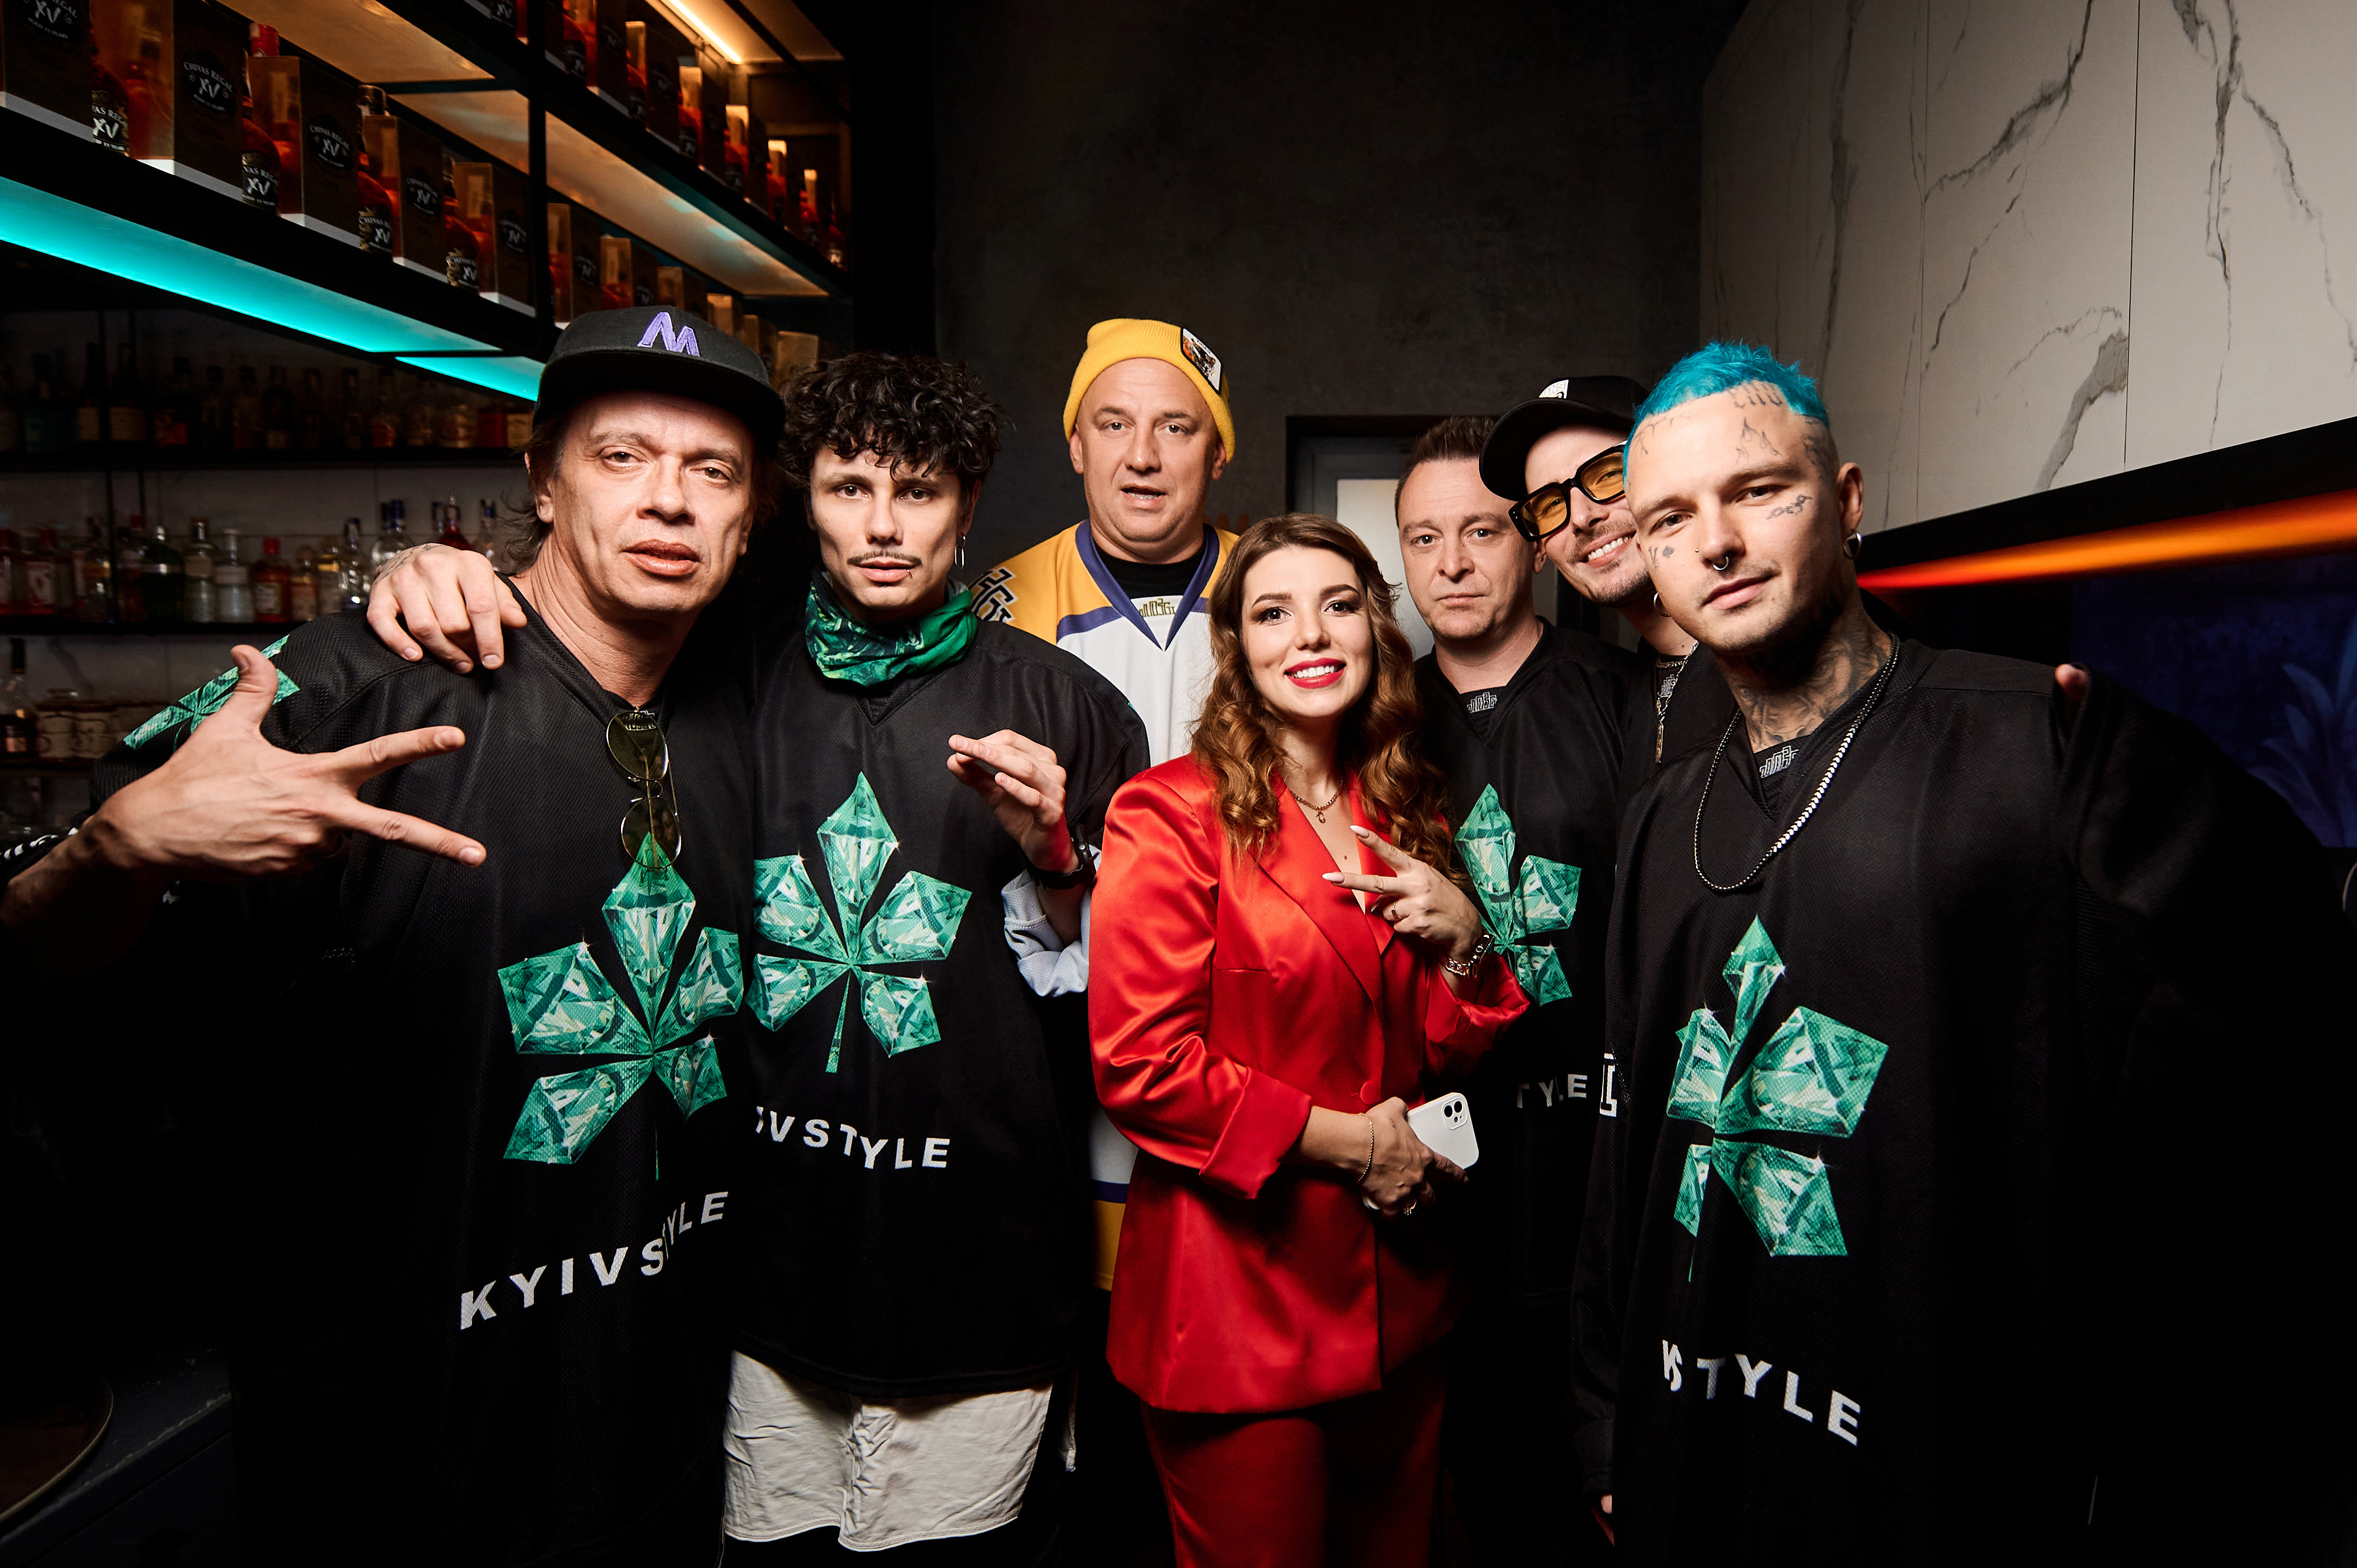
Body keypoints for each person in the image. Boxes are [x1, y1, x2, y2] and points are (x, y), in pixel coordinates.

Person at [0, 304, 781, 1564]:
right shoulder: (355, 685)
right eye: (621, 456)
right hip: (396, 1468)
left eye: (713, 471)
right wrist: (114, 848)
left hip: (663, 1446)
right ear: (541, 481)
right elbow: (39, 964)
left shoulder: (758, 705)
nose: (669, 500)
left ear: (751, 516)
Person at [1571, 342, 2357, 1563]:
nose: (1714, 543)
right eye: (1670, 518)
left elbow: (2273, 1023)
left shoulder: (2028, 744)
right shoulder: (1662, 817)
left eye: (1758, 491)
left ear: (1845, 502)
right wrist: (1609, 1417)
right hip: (1698, 1442)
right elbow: (1632, 1140)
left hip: (1932, 1456)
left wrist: (2174, 825)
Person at [366, 352, 1151, 1561]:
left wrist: (1057, 861)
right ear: (799, 503)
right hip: (761, 1283)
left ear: (968, 504)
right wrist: (429, 567)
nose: (882, 527)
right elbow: (568, 639)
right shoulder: (720, 671)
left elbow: (1134, 1000)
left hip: (979, 1272)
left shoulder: (1071, 706)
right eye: (848, 489)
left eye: (919, 492)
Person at [1090, 513, 1529, 1568]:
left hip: (1401, 1293)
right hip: (1239, 1302)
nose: (1312, 634)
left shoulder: (1406, 810)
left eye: (1338, 605)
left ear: (1376, 628)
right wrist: (1356, 1145)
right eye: (1273, 613)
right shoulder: (1168, 814)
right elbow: (1142, 1068)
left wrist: (1466, 942)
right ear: (1237, 648)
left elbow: (1439, 1057)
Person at [1392, 415, 1636, 1566]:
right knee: (1462, 1490)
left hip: (1595, 1167)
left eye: (1480, 532)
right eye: (1421, 538)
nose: (1449, 563)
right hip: (1436, 1176)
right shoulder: (1370, 719)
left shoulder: (1629, 698)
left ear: (1533, 543)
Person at [1477, 375, 1735, 794]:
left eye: (1607, 474)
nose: (1581, 517)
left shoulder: (1765, 652)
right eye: (1549, 505)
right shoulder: (1632, 694)